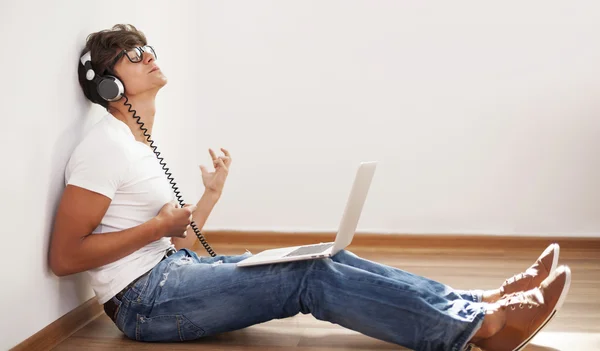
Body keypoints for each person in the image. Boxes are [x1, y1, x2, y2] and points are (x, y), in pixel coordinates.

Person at [48, 24, 571, 351]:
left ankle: (476, 300)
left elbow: (175, 241)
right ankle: (478, 327)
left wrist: (208, 198)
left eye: (146, 47)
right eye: (131, 55)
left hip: (175, 273)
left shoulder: (136, 147)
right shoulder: (104, 148)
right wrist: (157, 226)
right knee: (309, 277)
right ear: (109, 87)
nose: (147, 55)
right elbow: (66, 257)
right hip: (146, 304)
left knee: (327, 255)